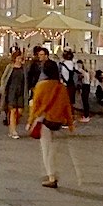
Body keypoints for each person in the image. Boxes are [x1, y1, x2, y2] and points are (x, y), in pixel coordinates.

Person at [24, 60, 75, 188]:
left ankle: (51, 176)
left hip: (45, 120)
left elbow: (35, 107)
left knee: (46, 149)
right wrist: (70, 123)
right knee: (53, 149)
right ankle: (53, 172)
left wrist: (30, 121)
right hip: (58, 121)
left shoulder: (41, 86)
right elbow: (67, 106)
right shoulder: (61, 87)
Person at [0, 50, 29, 138]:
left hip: (21, 91)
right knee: (12, 110)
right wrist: (3, 88)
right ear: (15, 58)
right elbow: (4, 78)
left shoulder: (24, 68)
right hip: (11, 91)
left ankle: (12, 128)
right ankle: (13, 131)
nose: (19, 60)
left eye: (21, 58)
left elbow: (26, 80)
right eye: (18, 58)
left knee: (19, 111)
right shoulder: (10, 67)